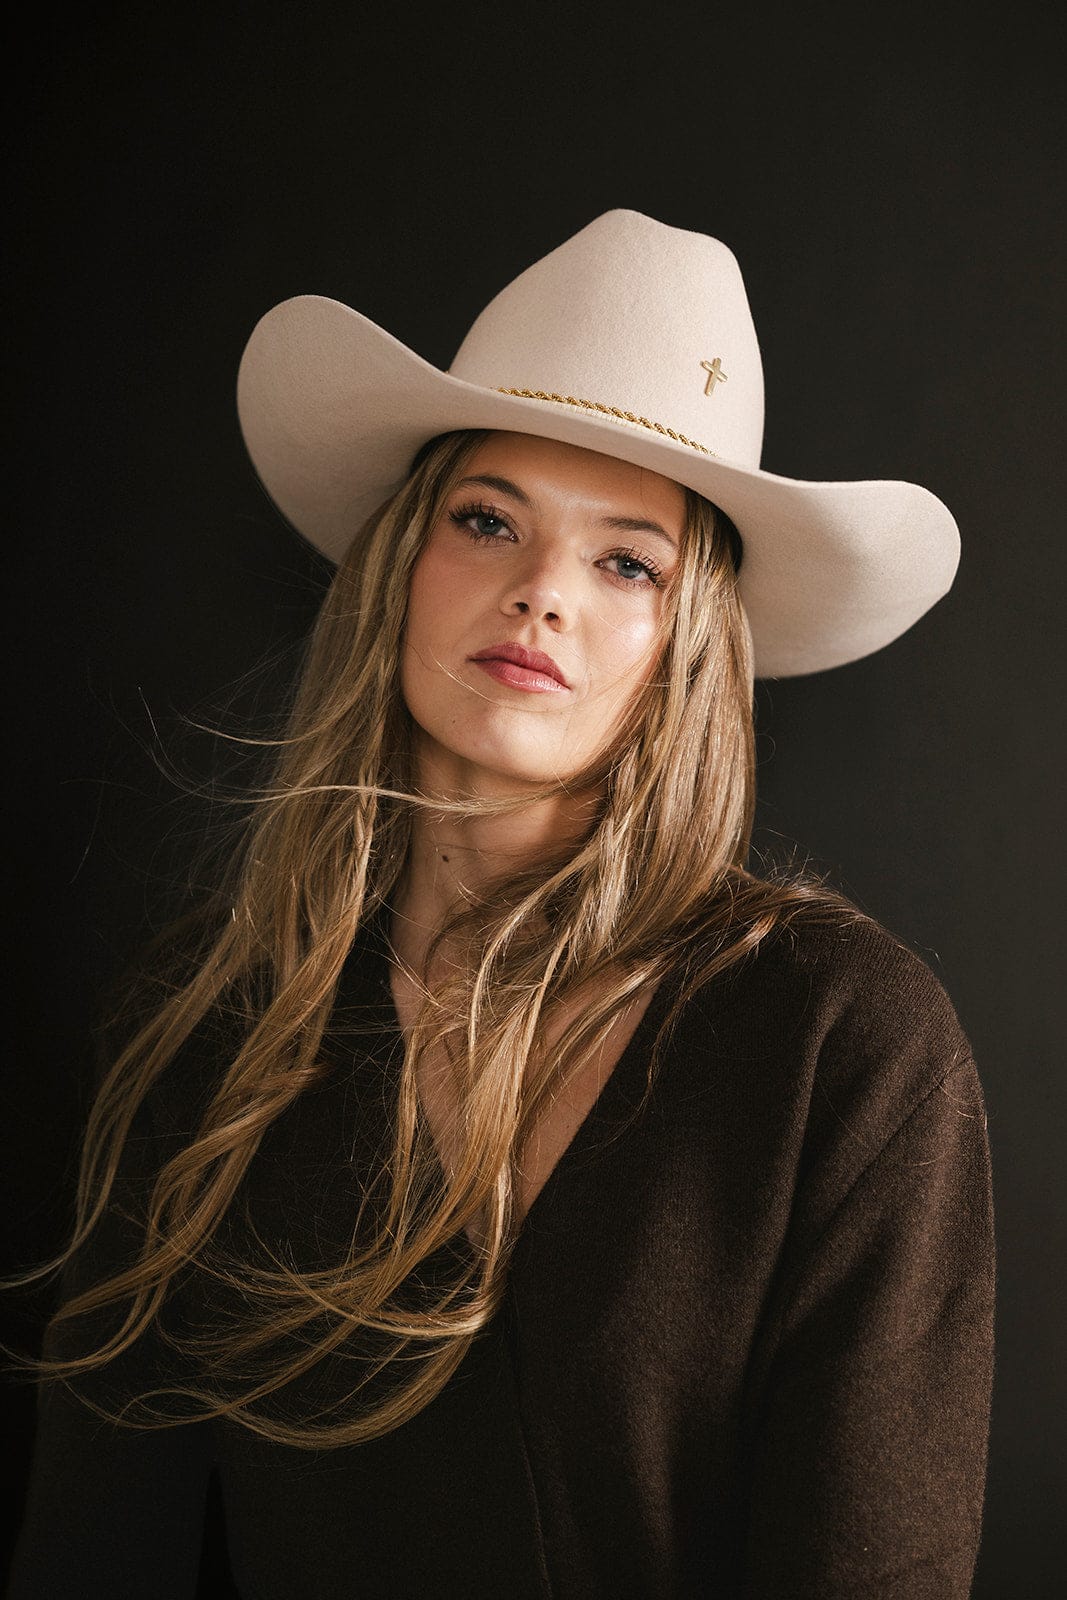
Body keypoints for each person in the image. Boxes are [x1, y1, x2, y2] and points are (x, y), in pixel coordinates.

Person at [7, 210, 994, 1598]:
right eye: (488, 521)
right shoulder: (212, 1035)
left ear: (687, 646)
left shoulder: (843, 1041)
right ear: (402, 567)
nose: (541, 596)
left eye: (626, 562)